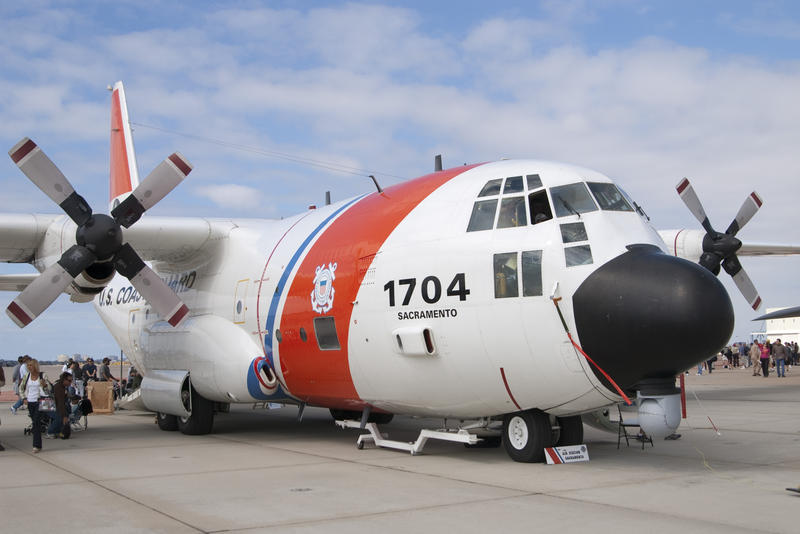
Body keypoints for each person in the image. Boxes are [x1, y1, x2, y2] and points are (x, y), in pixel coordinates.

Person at [20, 359, 49, 453]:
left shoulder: (42, 375)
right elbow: (21, 388)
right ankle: (38, 445)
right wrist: (24, 398)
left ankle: (36, 445)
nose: (29, 367)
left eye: (31, 365)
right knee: (35, 422)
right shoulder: (26, 376)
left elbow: (49, 389)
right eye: (28, 365)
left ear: (35, 366)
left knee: (36, 422)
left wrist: (45, 385)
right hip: (30, 402)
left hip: (40, 401)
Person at [46, 372, 73, 439]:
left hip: (51, 404)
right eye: (69, 380)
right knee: (59, 417)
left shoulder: (62, 386)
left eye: (71, 380)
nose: (70, 382)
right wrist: (64, 415)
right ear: (64, 380)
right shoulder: (59, 388)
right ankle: (50, 432)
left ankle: (57, 431)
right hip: (47, 405)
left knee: (62, 415)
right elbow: (60, 402)